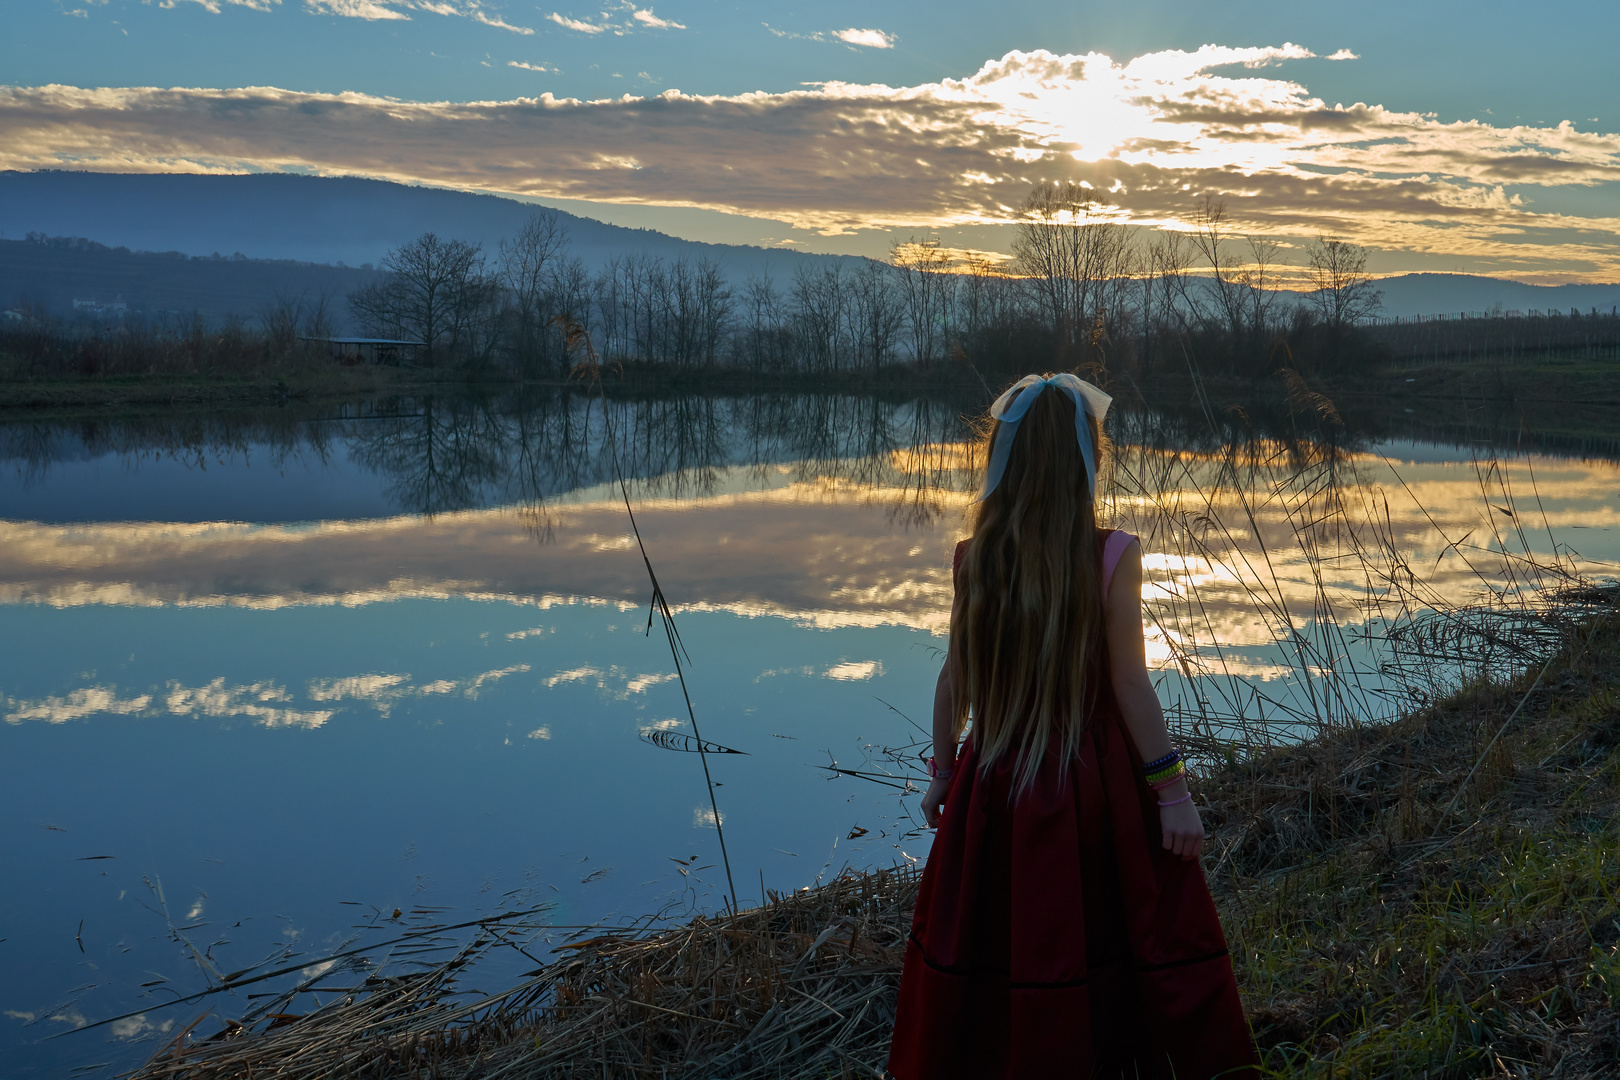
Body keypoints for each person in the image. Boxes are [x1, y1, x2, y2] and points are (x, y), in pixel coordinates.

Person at [887, 374, 1258, 1079]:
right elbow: (1129, 685)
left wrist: (942, 775)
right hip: (1093, 789)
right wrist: (1172, 793)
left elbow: (952, 681)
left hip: (991, 784)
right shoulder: (1113, 554)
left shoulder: (976, 555)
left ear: (1005, 457)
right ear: (1087, 459)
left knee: (995, 935)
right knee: (1097, 931)